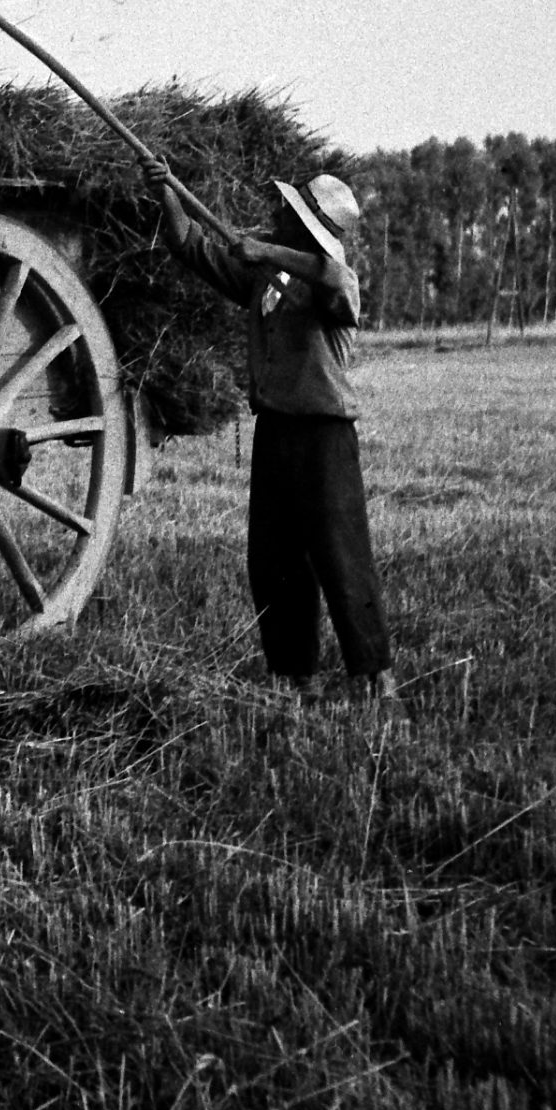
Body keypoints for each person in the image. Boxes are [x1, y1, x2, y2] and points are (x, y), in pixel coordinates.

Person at [144, 161, 397, 716]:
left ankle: (376, 681)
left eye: (287, 211)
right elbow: (192, 248)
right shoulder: (267, 283)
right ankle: (296, 677)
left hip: (325, 436)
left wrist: (265, 251)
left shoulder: (334, 282)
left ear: (306, 229)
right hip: (276, 431)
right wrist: (167, 193)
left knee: (341, 557)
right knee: (274, 558)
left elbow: (333, 277)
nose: (275, 213)